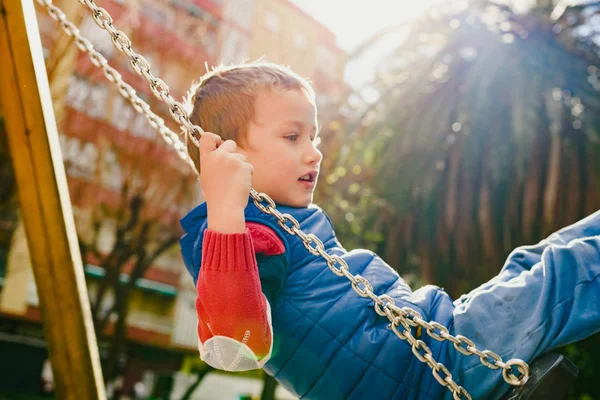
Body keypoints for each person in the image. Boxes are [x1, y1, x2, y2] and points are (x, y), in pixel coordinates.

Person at [179, 62, 600, 400]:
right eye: (292, 136)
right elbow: (235, 345)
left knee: (531, 261)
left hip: (432, 338)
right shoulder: (238, 234)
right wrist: (225, 209)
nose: (315, 151)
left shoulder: (277, 221)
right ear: (224, 154)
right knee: (567, 271)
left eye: (314, 135)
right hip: (427, 373)